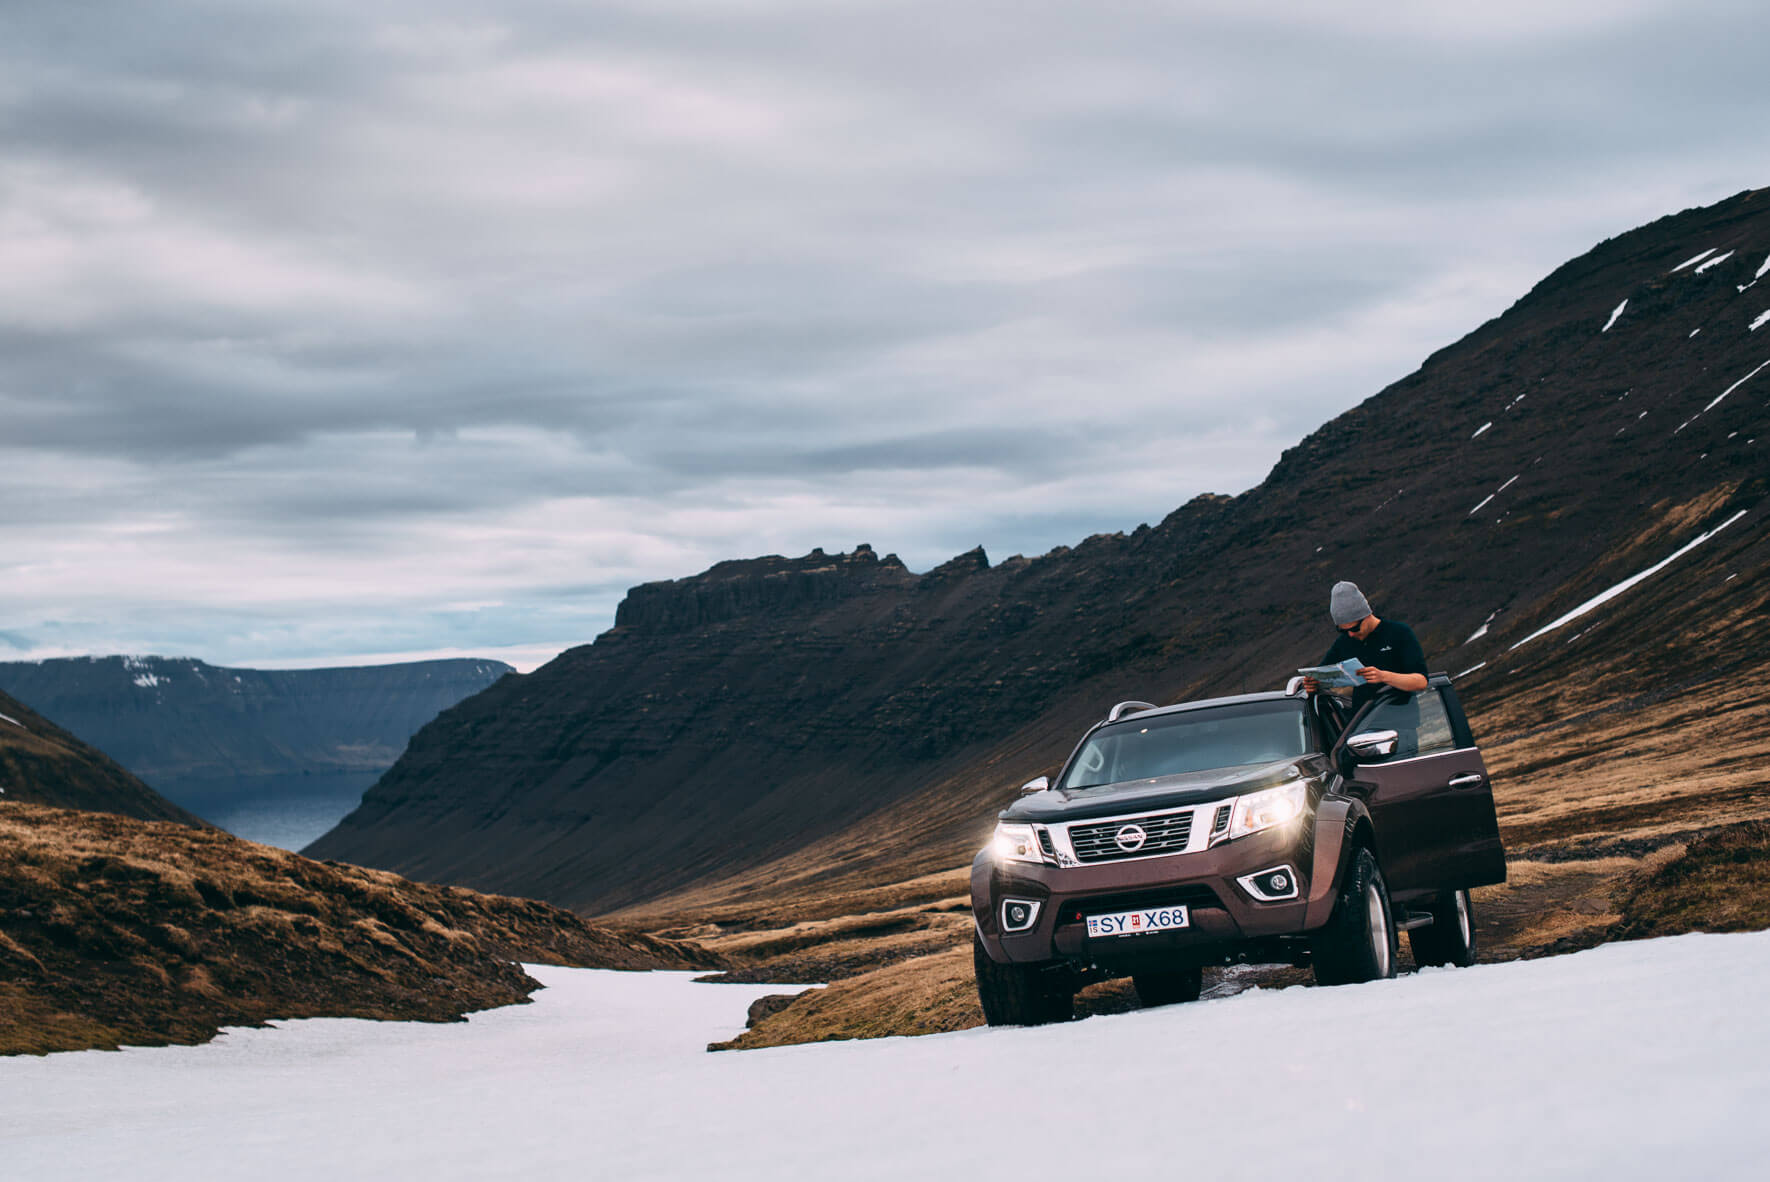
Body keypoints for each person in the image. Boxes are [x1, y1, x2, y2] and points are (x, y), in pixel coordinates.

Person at [1304, 581, 1428, 710]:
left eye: (1355, 628)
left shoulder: (1399, 633)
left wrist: (1384, 676)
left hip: (1400, 721)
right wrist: (1313, 684)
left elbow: (1421, 681)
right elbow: (1321, 676)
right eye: (1343, 630)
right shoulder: (1344, 642)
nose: (1350, 634)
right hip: (1361, 722)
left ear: (1367, 615)